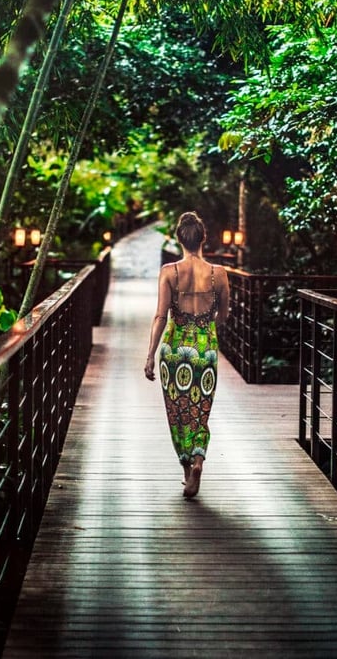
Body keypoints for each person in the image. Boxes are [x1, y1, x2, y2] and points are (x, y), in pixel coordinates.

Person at [143, 212, 231, 498]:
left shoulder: (169, 272)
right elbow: (224, 316)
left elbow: (160, 316)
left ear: (178, 239)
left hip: (174, 348)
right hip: (205, 349)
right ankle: (198, 461)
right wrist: (206, 330)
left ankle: (186, 471)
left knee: (178, 411)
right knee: (200, 410)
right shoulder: (220, 274)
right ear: (204, 237)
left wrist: (149, 355)